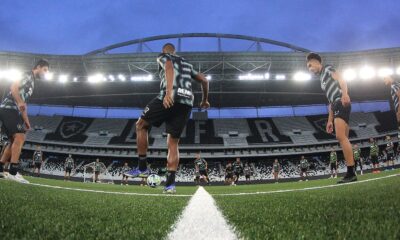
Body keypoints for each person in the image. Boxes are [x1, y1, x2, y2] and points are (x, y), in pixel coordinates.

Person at [125, 43, 209, 194]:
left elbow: (169, 67)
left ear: (164, 50)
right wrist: (204, 100)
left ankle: (142, 167)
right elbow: (204, 80)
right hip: (187, 101)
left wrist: (169, 93)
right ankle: (170, 185)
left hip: (170, 95)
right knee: (173, 142)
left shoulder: (164, 57)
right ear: (175, 51)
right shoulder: (187, 64)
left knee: (141, 125)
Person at [307, 53, 356, 184]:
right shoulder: (321, 79)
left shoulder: (327, 68)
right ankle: (351, 172)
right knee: (344, 138)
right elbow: (330, 102)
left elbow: (341, 78)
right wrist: (330, 120)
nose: (309, 68)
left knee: (340, 137)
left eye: (310, 65)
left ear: (317, 62)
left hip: (341, 101)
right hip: (336, 104)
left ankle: (351, 172)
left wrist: (345, 94)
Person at [0, 59, 49, 183]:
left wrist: (26, 120)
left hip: (13, 110)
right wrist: (20, 101)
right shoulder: (27, 74)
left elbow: (23, 104)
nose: (45, 73)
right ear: (38, 67)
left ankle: (0, 169)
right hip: (8, 108)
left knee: (13, 141)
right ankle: (13, 172)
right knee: (20, 137)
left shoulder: (32, 82)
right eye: (45, 70)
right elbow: (13, 87)